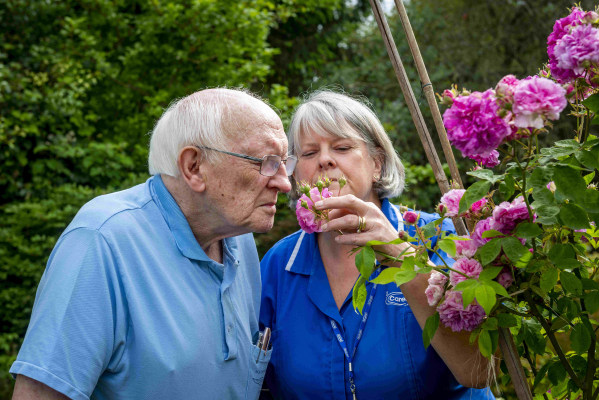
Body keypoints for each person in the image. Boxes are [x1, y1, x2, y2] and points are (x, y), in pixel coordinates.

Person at [10, 88, 296, 400]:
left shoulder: (238, 238)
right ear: (194, 167)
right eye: (266, 162)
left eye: (284, 162)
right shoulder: (102, 241)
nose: (284, 182)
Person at [259, 90, 494, 399]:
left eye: (342, 147)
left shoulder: (439, 237)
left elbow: (478, 371)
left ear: (377, 164)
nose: (325, 159)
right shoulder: (279, 264)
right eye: (308, 153)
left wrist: (400, 255)